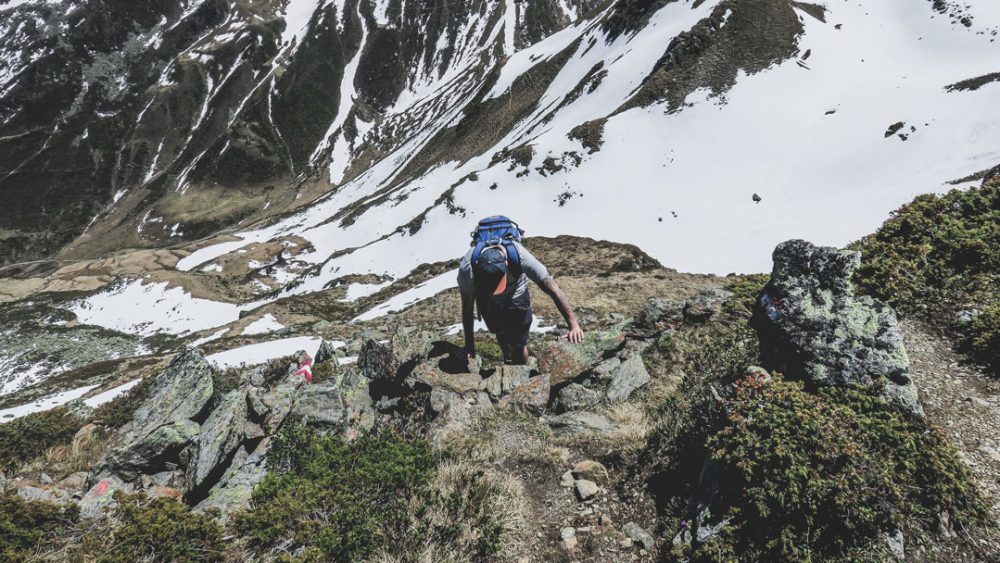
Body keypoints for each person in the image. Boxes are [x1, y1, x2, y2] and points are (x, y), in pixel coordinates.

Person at [457, 216, 583, 365]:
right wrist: (469, 347)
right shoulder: (467, 269)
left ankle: (520, 369)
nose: (495, 290)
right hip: (487, 300)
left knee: (517, 343)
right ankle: (507, 357)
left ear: (505, 263)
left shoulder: (520, 256)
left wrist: (573, 325)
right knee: (499, 331)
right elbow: (467, 308)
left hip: (516, 298)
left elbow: (553, 289)